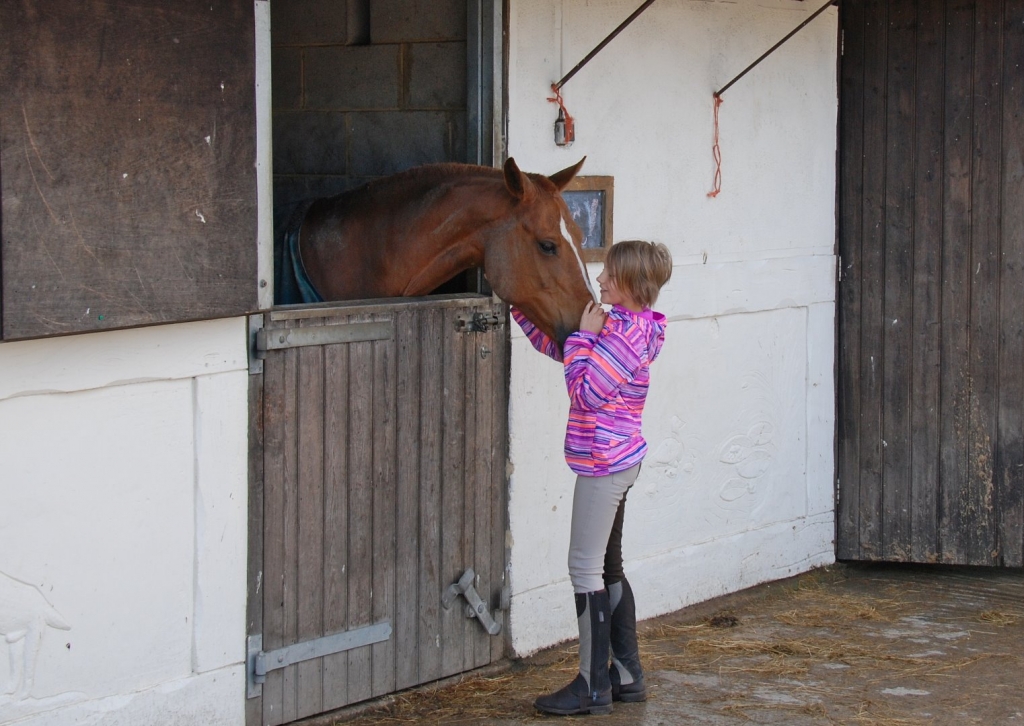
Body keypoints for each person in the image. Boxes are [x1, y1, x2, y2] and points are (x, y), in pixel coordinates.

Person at [512, 239, 673, 716]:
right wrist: (521, 309)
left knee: (584, 567)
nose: (599, 281)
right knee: (608, 566)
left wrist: (583, 337)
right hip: (618, 459)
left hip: (604, 465)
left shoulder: (624, 337)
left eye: (609, 275)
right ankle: (625, 676)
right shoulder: (623, 326)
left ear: (632, 285)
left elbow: (585, 391)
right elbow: (568, 353)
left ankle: (591, 686)